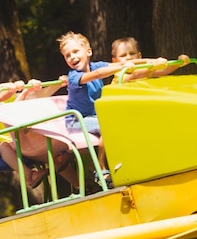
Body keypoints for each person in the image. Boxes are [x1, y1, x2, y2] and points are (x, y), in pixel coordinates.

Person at [0, 63, 80, 191]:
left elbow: (36, 97)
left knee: (57, 149)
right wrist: (25, 92)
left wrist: (57, 84)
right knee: (51, 153)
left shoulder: (4, 97)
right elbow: (7, 114)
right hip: (9, 145)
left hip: (23, 140)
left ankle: (88, 184)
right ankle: (83, 185)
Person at [56, 31, 141, 189]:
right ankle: (100, 168)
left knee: (121, 122)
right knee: (107, 125)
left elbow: (121, 65)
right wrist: (123, 65)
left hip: (93, 117)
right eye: (67, 55)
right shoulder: (74, 76)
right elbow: (98, 74)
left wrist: (156, 61)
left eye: (75, 52)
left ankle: (128, 164)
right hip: (75, 120)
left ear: (88, 52)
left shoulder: (97, 65)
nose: (72, 57)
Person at [110, 37, 191, 84]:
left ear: (139, 56)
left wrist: (179, 63)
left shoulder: (144, 70)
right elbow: (133, 76)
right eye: (123, 55)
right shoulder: (119, 73)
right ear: (115, 61)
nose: (129, 57)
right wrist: (152, 67)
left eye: (132, 53)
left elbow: (164, 70)